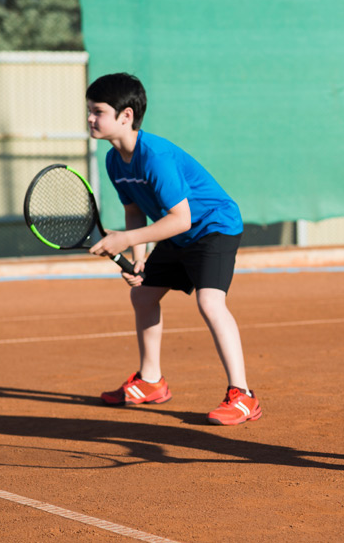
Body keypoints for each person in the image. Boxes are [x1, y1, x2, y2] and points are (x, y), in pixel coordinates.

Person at [85, 72, 261, 426]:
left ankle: (243, 396)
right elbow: (134, 210)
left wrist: (127, 240)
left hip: (214, 226)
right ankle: (151, 382)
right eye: (89, 111)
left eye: (98, 112)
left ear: (126, 116)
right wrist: (137, 260)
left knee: (210, 302)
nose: (90, 118)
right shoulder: (113, 160)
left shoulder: (156, 157)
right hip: (179, 234)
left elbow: (182, 218)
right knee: (143, 296)